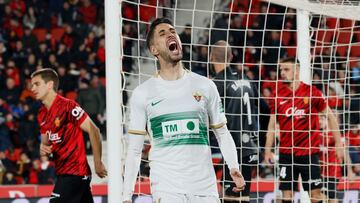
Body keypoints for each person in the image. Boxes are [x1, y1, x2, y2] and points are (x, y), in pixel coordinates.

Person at [122, 17, 245, 203]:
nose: (171, 34)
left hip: (205, 186)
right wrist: (126, 195)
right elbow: (134, 150)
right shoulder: (143, 93)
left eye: (172, 31)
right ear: (154, 49)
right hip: (167, 187)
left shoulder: (205, 86)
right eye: (162, 33)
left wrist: (233, 166)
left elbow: (222, 132)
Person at [264, 58, 344, 203]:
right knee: (286, 196)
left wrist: (339, 143)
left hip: (309, 154)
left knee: (315, 196)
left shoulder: (311, 92)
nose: (282, 73)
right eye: (281, 69)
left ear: (297, 71)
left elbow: (331, 117)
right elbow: (271, 126)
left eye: (286, 69)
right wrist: (267, 149)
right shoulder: (277, 94)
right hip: (286, 154)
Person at [30, 68, 107, 203]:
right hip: (64, 173)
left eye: (37, 84)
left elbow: (94, 130)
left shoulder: (68, 106)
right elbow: (45, 144)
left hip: (75, 172)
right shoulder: (41, 114)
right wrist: (43, 148)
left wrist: (97, 162)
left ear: (49, 85)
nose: (32, 88)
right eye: (32, 84)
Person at [210, 40, 269, 203]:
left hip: (233, 150)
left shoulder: (216, 84)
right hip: (250, 147)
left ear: (211, 56)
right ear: (231, 56)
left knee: (230, 198)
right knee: (243, 198)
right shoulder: (246, 79)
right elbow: (266, 110)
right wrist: (261, 141)